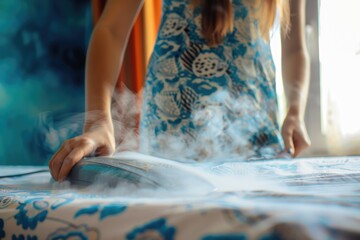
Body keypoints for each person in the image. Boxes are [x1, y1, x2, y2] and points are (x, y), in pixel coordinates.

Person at [49, 0, 311, 181]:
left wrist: (296, 112)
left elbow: (295, 49)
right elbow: (112, 30)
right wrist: (98, 121)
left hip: (253, 120)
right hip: (174, 122)